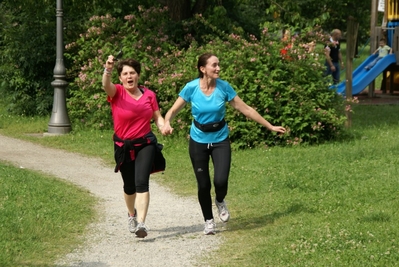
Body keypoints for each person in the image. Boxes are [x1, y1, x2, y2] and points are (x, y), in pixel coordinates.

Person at [161, 53, 286, 235]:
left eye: (219, 64)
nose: (218, 68)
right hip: (198, 141)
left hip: (220, 140)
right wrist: (167, 122)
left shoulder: (224, 87)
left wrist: (269, 126)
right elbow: (172, 110)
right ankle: (209, 221)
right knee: (203, 185)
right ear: (203, 69)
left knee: (220, 180)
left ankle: (220, 200)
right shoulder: (191, 88)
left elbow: (246, 109)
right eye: (214, 65)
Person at [102, 55, 166, 238]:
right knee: (129, 186)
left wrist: (163, 126)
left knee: (142, 183)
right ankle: (132, 214)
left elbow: (157, 117)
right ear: (120, 78)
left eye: (132, 73)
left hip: (145, 143)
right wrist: (108, 69)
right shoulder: (117, 92)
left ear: (138, 75)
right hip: (123, 146)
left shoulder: (149, 95)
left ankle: (142, 224)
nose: (129, 76)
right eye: (125, 74)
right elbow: (106, 85)